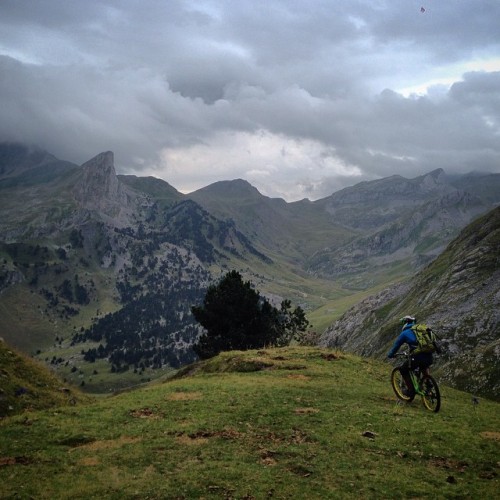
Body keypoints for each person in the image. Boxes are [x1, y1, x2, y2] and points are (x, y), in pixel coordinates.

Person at [387, 315, 434, 397]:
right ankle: (428, 383)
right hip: (429, 355)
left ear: (405, 323)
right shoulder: (422, 330)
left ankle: (410, 391)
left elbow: (396, 346)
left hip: (418, 357)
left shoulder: (404, 333)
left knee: (403, 370)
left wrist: (390, 355)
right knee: (424, 366)